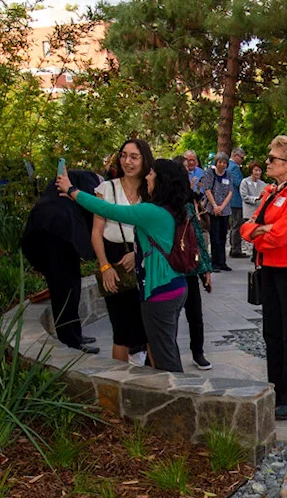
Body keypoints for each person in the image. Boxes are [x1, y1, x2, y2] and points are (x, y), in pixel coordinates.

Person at [58, 158, 193, 372]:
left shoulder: (151, 212)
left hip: (160, 293)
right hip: (175, 287)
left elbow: (109, 210)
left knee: (165, 358)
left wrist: (72, 190)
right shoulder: (173, 209)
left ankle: (177, 398)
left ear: (162, 180)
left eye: (152, 174)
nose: (147, 177)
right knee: (166, 347)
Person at [240, 135, 287, 420]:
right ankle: (276, 390)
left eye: (273, 158)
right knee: (272, 332)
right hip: (268, 266)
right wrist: (260, 231)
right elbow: (248, 228)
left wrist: (261, 231)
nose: (267, 161)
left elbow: (282, 235)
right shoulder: (272, 190)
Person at [21, 168, 103, 353]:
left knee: (71, 285)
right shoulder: (89, 179)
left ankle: (75, 334)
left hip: (53, 236)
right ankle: (71, 341)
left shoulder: (70, 180)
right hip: (55, 236)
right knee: (64, 289)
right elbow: (94, 206)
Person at [91, 139, 153, 366]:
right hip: (115, 260)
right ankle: (120, 386)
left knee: (149, 330)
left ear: (144, 159)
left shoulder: (152, 190)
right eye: (124, 155)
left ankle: (153, 386)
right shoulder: (106, 188)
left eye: (134, 156)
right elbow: (97, 233)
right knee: (120, 330)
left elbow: (159, 231)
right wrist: (105, 266)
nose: (128, 161)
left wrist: (138, 253)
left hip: (146, 262)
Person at [181, 188, 214, 371]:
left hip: (189, 270)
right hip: (169, 270)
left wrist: (205, 270)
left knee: (195, 314)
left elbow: (197, 239)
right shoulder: (158, 203)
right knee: (169, 317)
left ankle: (198, 352)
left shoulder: (188, 205)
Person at [202, 153, 233, 272]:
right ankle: (214, 262)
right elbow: (207, 189)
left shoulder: (229, 175)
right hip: (212, 208)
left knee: (222, 236)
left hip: (225, 209)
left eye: (224, 162)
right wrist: (215, 206)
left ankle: (222, 261)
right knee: (214, 236)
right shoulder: (210, 173)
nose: (222, 164)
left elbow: (230, 191)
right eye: (220, 162)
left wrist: (222, 206)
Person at [227, 148, 246, 258]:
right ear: (235, 155)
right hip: (236, 200)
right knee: (237, 225)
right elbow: (239, 183)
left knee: (235, 224)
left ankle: (234, 247)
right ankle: (235, 249)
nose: (242, 160)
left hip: (233, 200)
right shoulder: (233, 167)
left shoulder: (230, 166)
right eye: (241, 157)